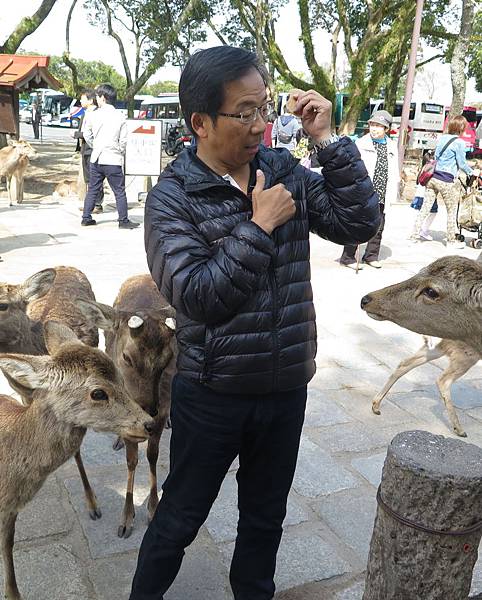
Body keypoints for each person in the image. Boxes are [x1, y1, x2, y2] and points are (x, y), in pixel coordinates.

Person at [129, 45, 379, 600]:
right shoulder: (173, 198)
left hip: (286, 386)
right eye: (244, 112)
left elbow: (358, 221)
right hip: (213, 392)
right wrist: (259, 227)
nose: (261, 124)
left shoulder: (281, 169)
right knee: (179, 519)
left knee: (264, 521)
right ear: (199, 122)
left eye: (265, 108)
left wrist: (329, 143)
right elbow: (197, 297)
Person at [340, 110, 399, 269]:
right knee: (358, 224)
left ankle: (371, 255)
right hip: (364, 192)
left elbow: (394, 171)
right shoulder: (361, 143)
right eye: (373, 124)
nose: (375, 129)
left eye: (379, 126)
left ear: (386, 129)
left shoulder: (392, 146)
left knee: (378, 226)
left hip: (382, 192)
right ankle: (348, 257)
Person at [411, 115, 479, 249]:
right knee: (451, 211)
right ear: (461, 128)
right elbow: (461, 163)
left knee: (425, 208)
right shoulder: (459, 142)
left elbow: (436, 157)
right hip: (446, 181)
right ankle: (450, 241)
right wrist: (473, 173)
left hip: (433, 178)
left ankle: (414, 235)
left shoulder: (442, 139)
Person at [81, 83, 139, 229]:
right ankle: (123, 220)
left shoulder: (93, 115)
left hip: (97, 158)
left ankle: (86, 217)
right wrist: (118, 150)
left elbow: (87, 134)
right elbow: (124, 140)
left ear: (103, 98)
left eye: (98, 96)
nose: (96, 99)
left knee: (93, 189)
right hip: (113, 158)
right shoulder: (120, 116)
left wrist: (96, 146)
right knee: (119, 191)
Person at [74, 88, 103, 213]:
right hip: (85, 149)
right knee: (88, 178)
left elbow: (91, 133)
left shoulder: (97, 114)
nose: (80, 101)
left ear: (91, 100)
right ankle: (89, 204)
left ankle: (97, 204)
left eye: (82, 98)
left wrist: (77, 134)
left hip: (93, 149)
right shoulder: (85, 113)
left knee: (95, 177)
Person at [410, 152, 437, 241]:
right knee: (432, 212)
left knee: (421, 213)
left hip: (419, 194)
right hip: (426, 195)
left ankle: (418, 231)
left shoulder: (423, 167)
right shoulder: (431, 167)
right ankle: (422, 231)